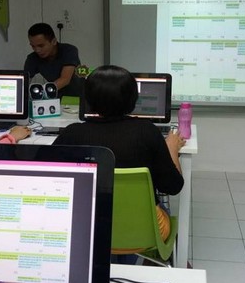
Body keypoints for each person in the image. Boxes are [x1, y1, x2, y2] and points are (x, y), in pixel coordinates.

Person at [52, 65, 186, 262]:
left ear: (88, 99)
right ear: (133, 99)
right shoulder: (147, 132)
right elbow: (173, 186)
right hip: (145, 231)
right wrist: (172, 148)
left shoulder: (72, 134)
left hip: (86, 227)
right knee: (161, 205)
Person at [24, 22, 82, 98]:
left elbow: (65, 79)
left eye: (41, 46)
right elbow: (24, 82)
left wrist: (40, 93)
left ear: (53, 41)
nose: (37, 50)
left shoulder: (69, 50)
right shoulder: (32, 58)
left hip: (77, 97)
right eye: (33, 46)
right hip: (55, 97)